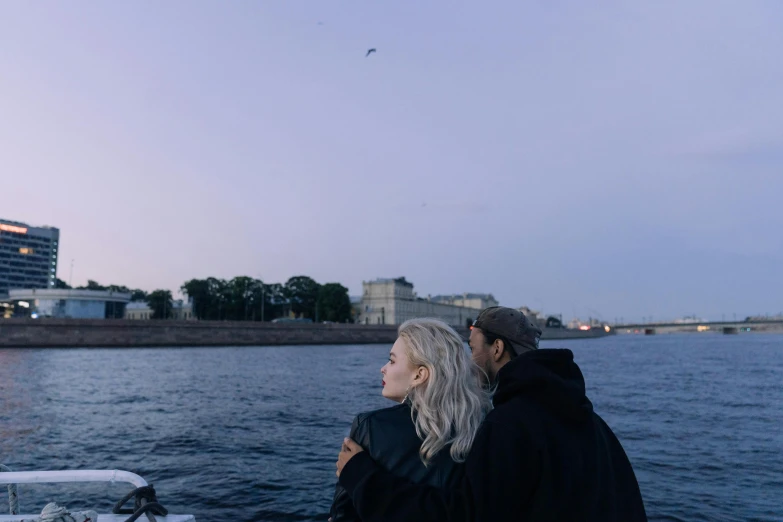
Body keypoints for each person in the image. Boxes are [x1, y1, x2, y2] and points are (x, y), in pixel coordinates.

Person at [336, 306, 647, 522]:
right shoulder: (590, 419)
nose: (467, 363)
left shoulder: (508, 424)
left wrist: (361, 476)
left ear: (496, 349)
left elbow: (463, 516)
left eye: (472, 349)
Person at [329, 317, 492, 522]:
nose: (383, 368)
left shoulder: (370, 427)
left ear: (419, 375)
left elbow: (342, 513)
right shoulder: (480, 424)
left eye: (392, 360)